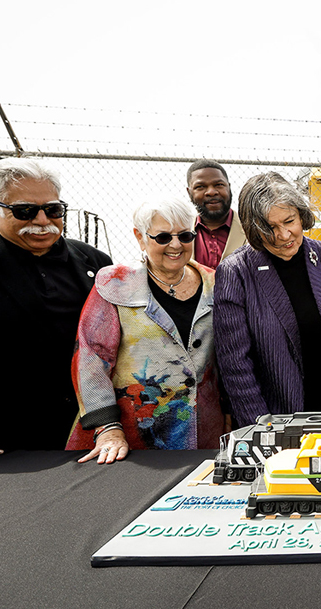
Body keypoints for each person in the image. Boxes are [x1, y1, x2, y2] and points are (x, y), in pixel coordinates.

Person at [0, 158, 111, 464]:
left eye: (53, 209)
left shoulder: (96, 263)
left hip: (86, 441)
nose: (42, 220)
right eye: (25, 211)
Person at [66, 196, 224, 463]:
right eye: (162, 237)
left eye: (185, 236)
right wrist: (107, 429)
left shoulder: (216, 282)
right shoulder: (114, 284)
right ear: (140, 237)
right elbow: (91, 359)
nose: (175, 245)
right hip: (131, 439)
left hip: (204, 435)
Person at [214, 172, 321, 427]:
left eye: (289, 221)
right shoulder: (235, 272)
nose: (284, 235)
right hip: (274, 418)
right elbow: (235, 365)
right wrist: (263, 428)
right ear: (253, 229)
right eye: (269, 227)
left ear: (301, 215)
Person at [186, 159, 247, 268]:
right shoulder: (179, 233)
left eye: (218, 184)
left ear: (229, 187)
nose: (211, 192)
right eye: (200, 186)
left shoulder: (252, 231)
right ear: (189, 192)